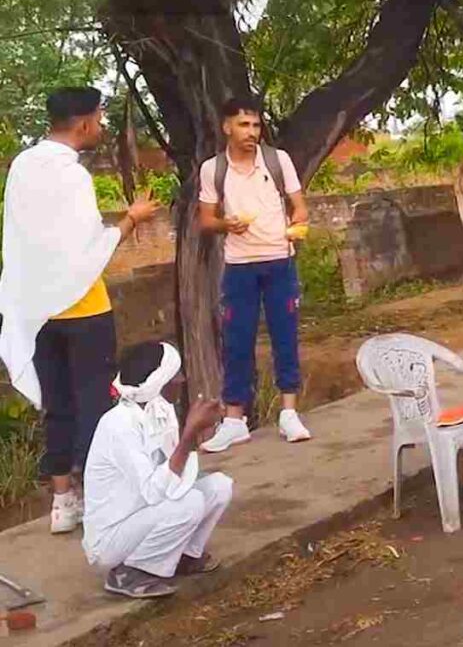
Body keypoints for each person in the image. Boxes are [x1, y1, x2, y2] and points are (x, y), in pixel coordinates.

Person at [0, 86, 160, 534]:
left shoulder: (22, 168)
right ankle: (97, 499)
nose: (103, 127)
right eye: (100, 119)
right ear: (84, 123)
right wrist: (132, 217)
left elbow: (24, 240)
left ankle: (61, 502)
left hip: (37, 310)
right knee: (93, 404)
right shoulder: (73, 177)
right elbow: (88, 248)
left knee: (57, 405)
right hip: (83, 309)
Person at [196, 96, 312, 451]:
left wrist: (298, 225)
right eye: (244, 125)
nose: (252, 133)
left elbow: (300, 208)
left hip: (280, 261)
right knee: (236, 343)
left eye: (257, 125)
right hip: (239, 267)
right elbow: (206, 220)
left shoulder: (278, 161)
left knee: (285, 337)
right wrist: (225, 224)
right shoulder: (212, 169)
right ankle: (234, 420)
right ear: (226, 127)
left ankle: (289, 413)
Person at [82, 341, 232, 599]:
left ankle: (184, 556)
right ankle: (128, 574)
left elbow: (175, 471)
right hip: (110, 539)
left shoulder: (159, 409)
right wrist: (190, 433)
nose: (182, 380)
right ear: (158, 383)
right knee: (191, 501)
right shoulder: (118, 425)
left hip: (143, 514)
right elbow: (155, 491)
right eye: (176, 376)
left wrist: (193, 432)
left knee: (219, 486)